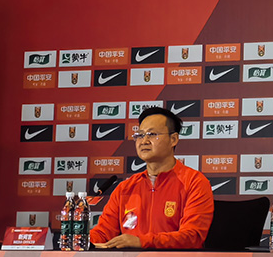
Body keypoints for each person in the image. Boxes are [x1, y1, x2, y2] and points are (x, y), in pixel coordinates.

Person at [90, 107, 215, 249]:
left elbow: (192, 237)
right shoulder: (125, 188)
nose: (144, 141)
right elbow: (103, 234)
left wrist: (141, 242)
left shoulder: (194, 182)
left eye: (152, 134)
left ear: (173, 139)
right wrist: (79, 241)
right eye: (140, 135)